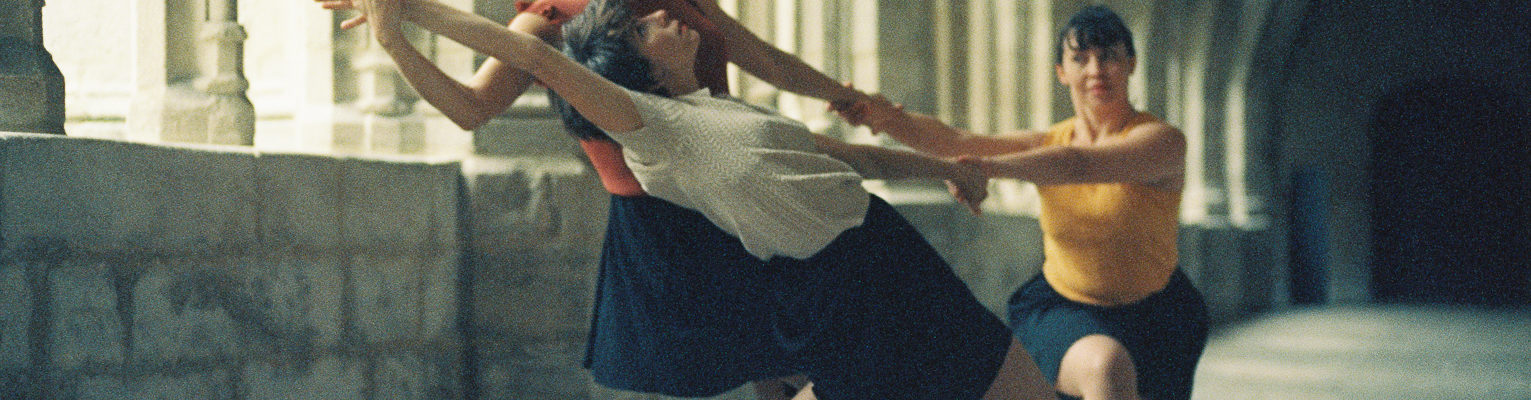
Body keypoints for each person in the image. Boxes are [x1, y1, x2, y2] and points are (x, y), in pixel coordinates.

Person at [335, 0, 1063, 398]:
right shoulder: (595, 61)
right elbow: (510, 77)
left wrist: (860, 104)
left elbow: (796, 100)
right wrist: (400, 19)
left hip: (825, 219)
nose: (664, 21)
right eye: (645, 25)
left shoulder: (705, 74)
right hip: (686, 215)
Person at [846, 6, 1208, 400]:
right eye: (1080, 58)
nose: (1095, 69)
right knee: (1106, 368)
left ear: (1131, 63)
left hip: (1160, 317)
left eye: (1109, 56)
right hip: (1067, 308)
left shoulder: (1163, 142)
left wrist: (984, 169)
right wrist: (883, 119)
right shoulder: (1045, 144)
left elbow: (1079, 166)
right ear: (1061, 72)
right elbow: (957, 142)